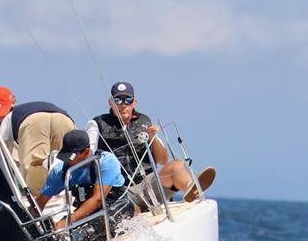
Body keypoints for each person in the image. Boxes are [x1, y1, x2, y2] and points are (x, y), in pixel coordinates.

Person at [86, 81, 215, 210]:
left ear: (134, 102)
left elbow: (163, 160)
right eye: (118, 100)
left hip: (146, 185)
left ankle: (192, 188)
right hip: (118, 191)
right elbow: (88, 157)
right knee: (131, 208)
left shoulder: (144, 122)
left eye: (128, 100)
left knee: (177, 164)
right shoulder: (97, 123)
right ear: (111, 102)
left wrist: (152, 138)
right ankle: (134, 210)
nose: (123, 105)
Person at [35, 130, 130, 235]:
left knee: (92, 228)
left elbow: (98, 199)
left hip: (115, 207)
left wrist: (66, 223)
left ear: (86, 152)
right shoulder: (60, 171)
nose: (67, 161)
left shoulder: (106, 161)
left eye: (71, 157)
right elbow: (41, 200)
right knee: (57, 234)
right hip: (84, 211)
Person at [0, 86, 76, 196]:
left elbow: (2, 150)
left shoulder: (9, 118)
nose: (0, 118)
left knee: (34, 168)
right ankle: (71, 196)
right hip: (64, 118)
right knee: (67, 160)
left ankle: (41, 202)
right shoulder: (28, 108)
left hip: (34, 123)